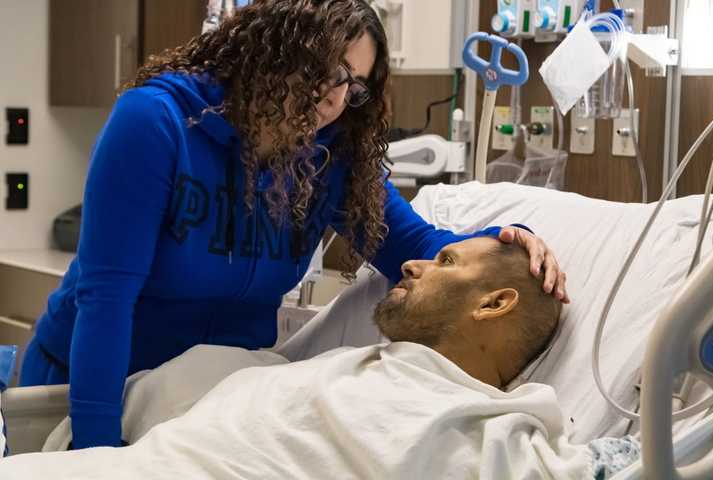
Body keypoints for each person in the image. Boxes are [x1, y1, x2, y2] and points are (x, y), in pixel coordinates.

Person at [19, 0, 568, 450]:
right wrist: (96, 455)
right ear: (271, 49)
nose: (334, 101)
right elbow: (106, 301)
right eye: (325, 72)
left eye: (353, 88)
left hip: (195, 403)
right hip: (89, 387)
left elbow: (420, 245)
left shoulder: (330, 159)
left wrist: (510, 240)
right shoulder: (158, 124)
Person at [1, 238, 639, 479]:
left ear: (495, 304)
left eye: (446, 262)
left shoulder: (482, 433)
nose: (415, 262)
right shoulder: (320, 370)